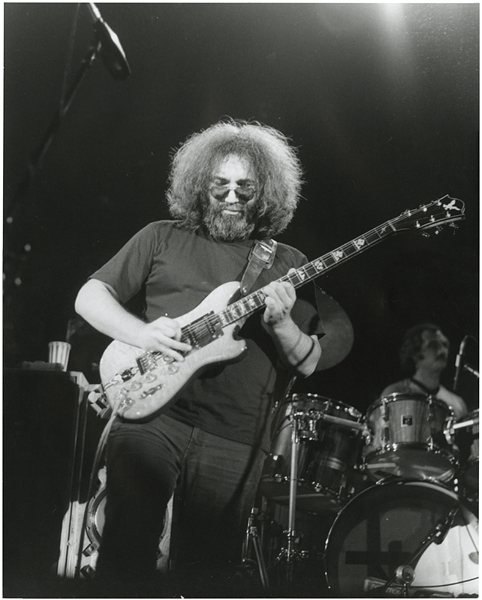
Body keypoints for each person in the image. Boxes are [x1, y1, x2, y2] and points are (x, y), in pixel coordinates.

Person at [74, 119, 323, 594]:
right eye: (220, 185)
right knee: (126, 553)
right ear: (199, 186)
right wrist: (142, 333)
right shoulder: (161, 236)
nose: (231, 197)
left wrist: (282, 324)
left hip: (235, 432)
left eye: (244, 189)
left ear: (265, 193)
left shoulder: (288, 262)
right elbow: (90, 295)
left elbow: (307, 361)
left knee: (207, 572)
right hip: (150, 415)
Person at [380, 322, 467, 419]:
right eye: (433, 345)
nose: (442, 351)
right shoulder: (394, 394)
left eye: (445, 345)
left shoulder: (457, 404)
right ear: (415, 354)